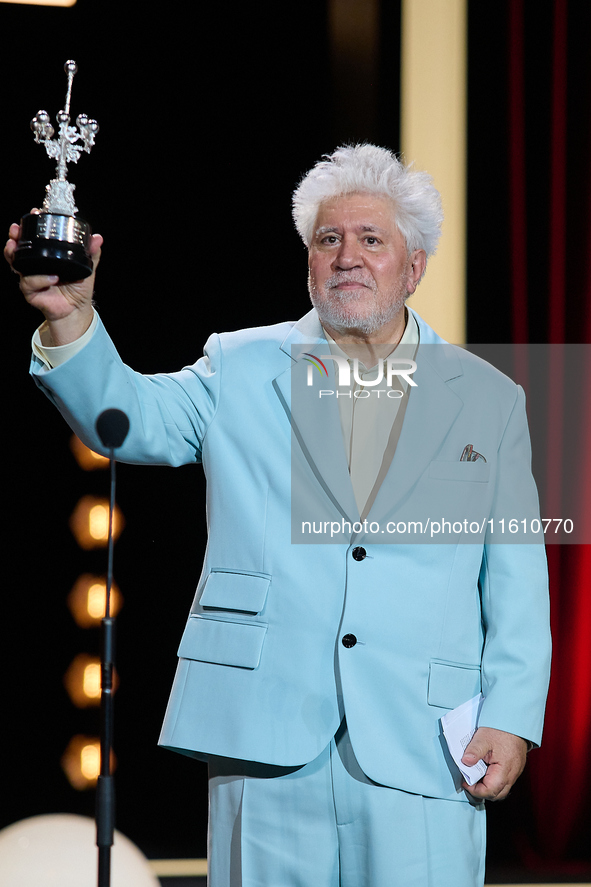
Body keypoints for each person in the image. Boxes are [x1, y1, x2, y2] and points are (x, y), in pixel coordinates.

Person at [6, 144, 551, 887]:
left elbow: (516, 574)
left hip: (422, 740)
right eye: (329, 239)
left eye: (371, 240)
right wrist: (72, 320)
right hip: (262, 732)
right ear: (307, 259)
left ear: (413, 265)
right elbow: (126, 419)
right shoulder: (237, 364)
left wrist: (513, 714)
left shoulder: (488, 397)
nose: (347, 257)